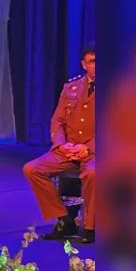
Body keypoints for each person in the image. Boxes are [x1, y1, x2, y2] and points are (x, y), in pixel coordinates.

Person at [24, 42, 96, 243]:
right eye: (92, 62)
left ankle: (91, 227)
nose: (96, 66)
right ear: (84, 64)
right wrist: (61, 144)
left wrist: (88, 147)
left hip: (96, 152)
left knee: (93, 173)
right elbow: (58, 120)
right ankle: (65, 219)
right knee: (32, 169)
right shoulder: (71, 87)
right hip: (68, 149)